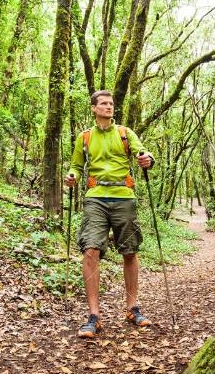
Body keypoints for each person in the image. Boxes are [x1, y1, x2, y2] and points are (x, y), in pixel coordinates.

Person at [64, 90, 155, 338]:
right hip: (95, 198)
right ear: (94, 108)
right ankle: (93, 316)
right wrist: (72, 176)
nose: (108, 107)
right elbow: (76, 165)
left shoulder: (125, 133)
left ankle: (132, 309)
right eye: (103, 104)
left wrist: (147, 159)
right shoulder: (84, 137)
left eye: (111, 104)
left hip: (124, 197)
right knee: (91, 250)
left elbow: (142, 153)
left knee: (130, 250)